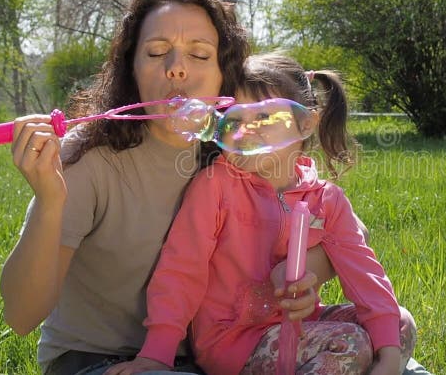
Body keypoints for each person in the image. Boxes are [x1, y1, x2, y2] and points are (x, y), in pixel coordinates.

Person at [0, 0, 327, 375]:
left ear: (225, 74)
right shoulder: (89, 155)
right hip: (99, 360)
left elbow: (339, 222)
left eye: (200, 55)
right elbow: (20, 315)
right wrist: (50, 202)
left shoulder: (237, 151)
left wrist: (306, 270)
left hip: (219, 355)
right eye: (157, 53)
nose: (177, 69)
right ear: (131, 68)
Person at [105, 52, 418, 375]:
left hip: (300, 330)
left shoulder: (327, 199)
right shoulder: (217, 185)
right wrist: (156, 354)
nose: (248, 130)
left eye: (265, 118)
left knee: (398, 324)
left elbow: (366, 278)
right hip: (233, 342)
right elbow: (181, 270)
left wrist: (389, 358)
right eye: (236, 120)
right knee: (349, 341)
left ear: (305, 123)